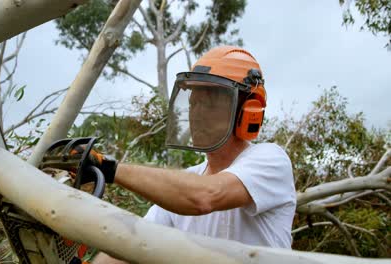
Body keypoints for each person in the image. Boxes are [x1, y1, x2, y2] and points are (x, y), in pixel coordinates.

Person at [89, 46, 297, 264]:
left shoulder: (271, 160)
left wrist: (109, 168)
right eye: (193, 103)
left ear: (248, 110)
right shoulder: (183, 185)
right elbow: (134, 242)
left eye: (208, 103)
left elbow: (204, 196)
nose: (196, 114)